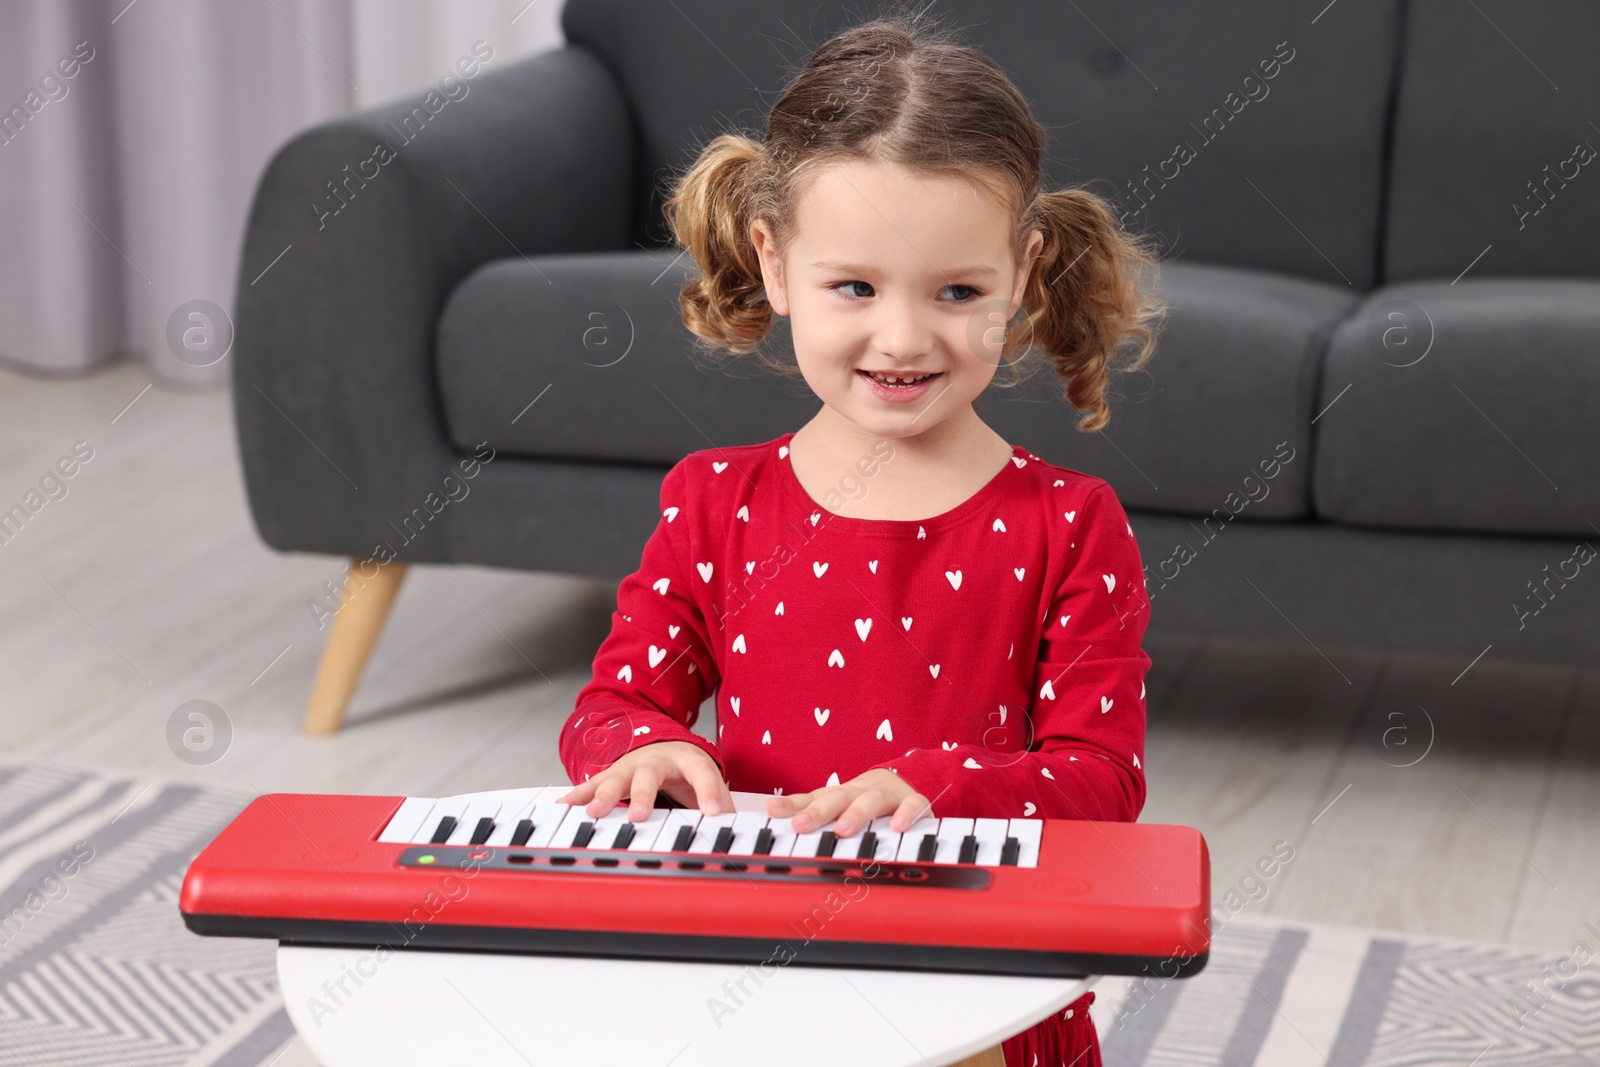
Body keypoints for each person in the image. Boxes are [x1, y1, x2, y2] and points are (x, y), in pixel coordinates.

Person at [557, 8, 1165, 1063]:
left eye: (957, 291)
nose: (902, 337)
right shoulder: (713, 500)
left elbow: (1101, 779)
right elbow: (615, 705)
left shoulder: (1071, 523)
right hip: (753, 980)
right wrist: (649, 745)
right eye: (853, 286)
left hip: (974, 981)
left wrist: (943, 782)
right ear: (774, 262)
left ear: (1022, 273)